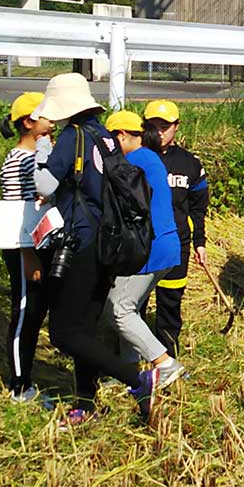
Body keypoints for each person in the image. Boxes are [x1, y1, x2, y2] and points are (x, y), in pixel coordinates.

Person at [32, 73, 158, 426]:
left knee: (64, 333)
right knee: (84, 329)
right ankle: (84, 405)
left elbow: (45, 182)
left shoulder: (71, 137)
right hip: (107, 243)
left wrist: (42, 146)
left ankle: (138, 379)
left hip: (80, 243)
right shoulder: (105, 137)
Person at [101, 111, 184, 385]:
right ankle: (129, 372)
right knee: (130, 308)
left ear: (121, 135)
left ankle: (164, 363)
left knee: (118, 309)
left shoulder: (132, 162)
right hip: (166, 246)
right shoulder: (151, 157)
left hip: (149, 248)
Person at [0, 91, 54, 406]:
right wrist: (28, 254)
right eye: (46, 116)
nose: (51, 122)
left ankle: (28, 378)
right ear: (28, 122)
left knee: (37, 310)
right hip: (25, 247)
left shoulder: (39, 155)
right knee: (24, 312)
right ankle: (19, 386)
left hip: (40, 242)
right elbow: (15, 212)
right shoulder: (18, 161)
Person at [142, 100, 209, 356]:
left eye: (165, 126)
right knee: (136, 302)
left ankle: (168, 354)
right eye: (153, 126)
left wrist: (199, 242)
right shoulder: (136, 158)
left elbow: (197, 208)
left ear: (176, 127)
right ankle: (136, 353)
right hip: (142, 242)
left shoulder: (189, 164)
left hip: (175, 245)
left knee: (170, 302)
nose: (160, 132)